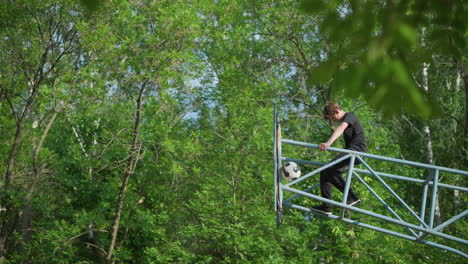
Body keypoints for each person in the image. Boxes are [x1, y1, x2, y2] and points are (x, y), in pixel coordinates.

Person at [310, 102, 366, 215]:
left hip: (357, 152)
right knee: (325, 172)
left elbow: (341, 128)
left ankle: (351, 196)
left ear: (337, 111)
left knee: (329, 169)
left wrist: (328, 143)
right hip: (351, 152)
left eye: (332, 117)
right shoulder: (346, 119)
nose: (333, 121)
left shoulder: (350, 116)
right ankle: (326, 206)